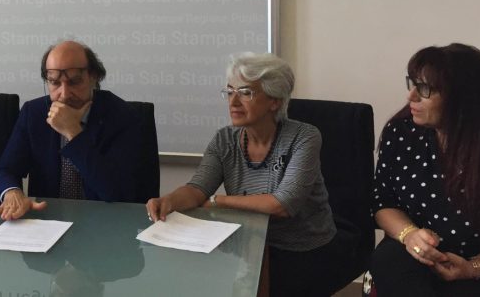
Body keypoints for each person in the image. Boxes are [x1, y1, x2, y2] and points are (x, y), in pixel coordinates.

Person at [147, 52, 351, 297]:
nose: (233, 102)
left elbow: (283, 204)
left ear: (274, 101)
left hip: (302, 248)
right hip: (249, 243)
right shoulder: (224, 139)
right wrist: (169, 201)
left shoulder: (304, 137)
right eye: (229, 91)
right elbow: (197, 188)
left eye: (245, 93)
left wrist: (218, 201)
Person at [370, 43, 480, 296]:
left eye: (425, 89)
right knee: (388, 261)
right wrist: (410, 235)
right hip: (416, 257)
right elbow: (382, 201)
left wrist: (473, 268)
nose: (412, 97)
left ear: (462, 98)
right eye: (413, 84)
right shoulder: (402, 131)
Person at [0, 40, 147, 221]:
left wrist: (74, 133)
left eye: (74, 82)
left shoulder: (123, 117)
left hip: (106, 222)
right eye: (54, 83)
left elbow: (117, 193)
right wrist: (11, 192)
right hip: (48, 221)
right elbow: (4, 171)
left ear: (93, 77)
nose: (64, 94)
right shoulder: (33, 113)